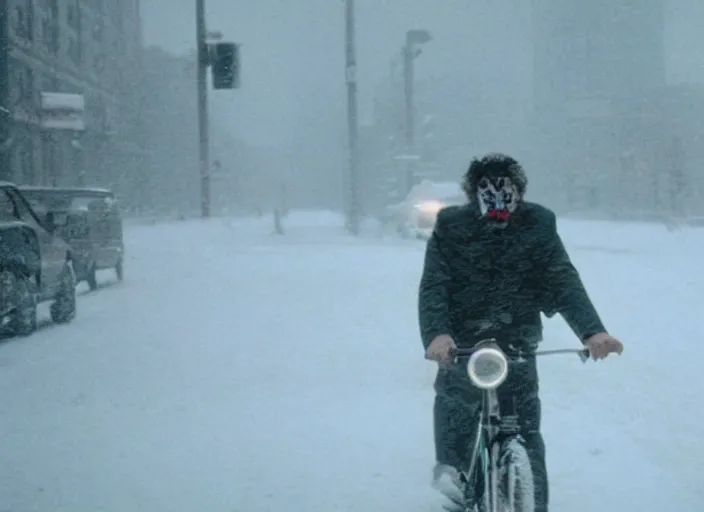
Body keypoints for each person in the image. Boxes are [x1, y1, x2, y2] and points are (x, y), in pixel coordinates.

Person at [417, 153, 623, 511]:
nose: (498, 197)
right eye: (487, 189)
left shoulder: (538, 224)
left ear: (520, 191)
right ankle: (451, 477)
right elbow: (435, 285)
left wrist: (593, 333)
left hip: (517, 340)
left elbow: (562, 280)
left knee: (526, 433)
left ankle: (533, 502)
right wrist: (438, 335)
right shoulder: (451, 226)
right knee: (457, 405)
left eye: (507, 189)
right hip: (463, 344)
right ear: (473, 192)